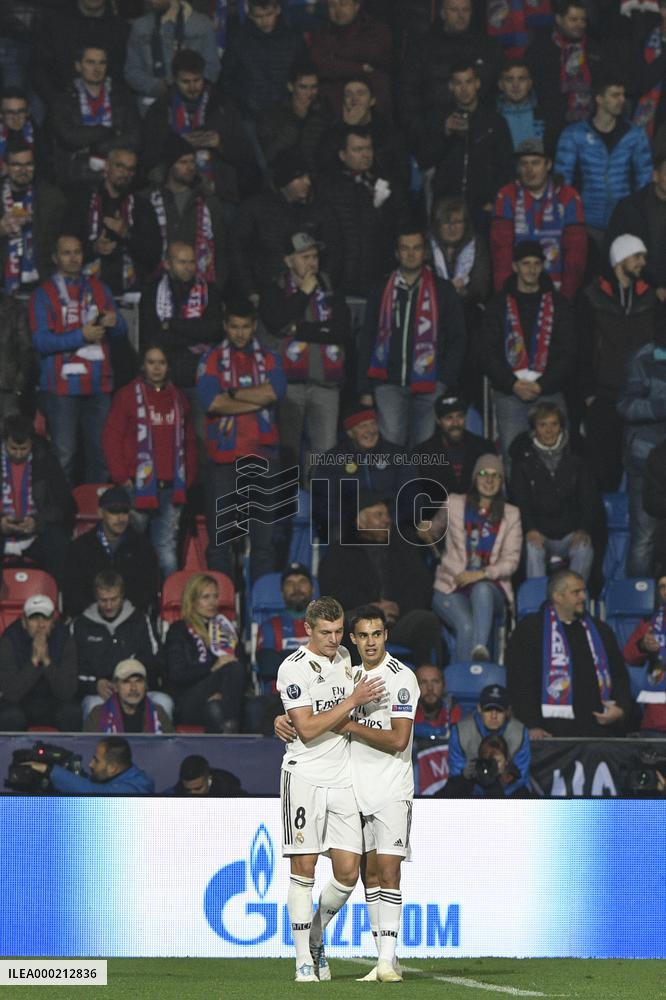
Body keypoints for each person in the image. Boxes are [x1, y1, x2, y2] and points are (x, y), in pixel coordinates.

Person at [275, 595, 384, 982]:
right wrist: (352, 700)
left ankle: (317, 931)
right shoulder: (292, 669)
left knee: (348, 873)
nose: (334, 639)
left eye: (339, 631)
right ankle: (304, 959)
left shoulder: (344, 663)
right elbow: (305, 728)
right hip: (304, 776)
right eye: (326, 633)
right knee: (303, 870)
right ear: (307, 629)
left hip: (343, 778)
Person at [336, 605, 420, 983]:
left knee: (389, 871)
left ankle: (387, 962)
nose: (371, 642)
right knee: (368, 874)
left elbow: (399, 739)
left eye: (377, 634)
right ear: (352, 639)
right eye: (363, 635)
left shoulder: (401, 678)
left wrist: (351, 723)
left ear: (386, 635)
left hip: (390, 788)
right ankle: (385, 960)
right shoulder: (349, 676)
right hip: (355, 788)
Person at [196, 298, 286, 582]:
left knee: (263, 544)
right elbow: (211, 402)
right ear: (225, 326)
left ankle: (258, 618)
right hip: (223, 459)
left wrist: (231, 394)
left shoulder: (270, 357)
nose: (239, 333)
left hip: (263, 457)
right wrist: (255, 398)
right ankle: (223, 613)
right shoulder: (211, 359)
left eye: (245, 327)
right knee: (220, 543)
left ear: (254, 326)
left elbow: (276, 393)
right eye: (234, 326)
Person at [28, 233, 128, 485]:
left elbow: (121, 332)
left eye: (77, 252)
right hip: (61, 387)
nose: (73, 258)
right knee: (64, 456)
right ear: (55, 257)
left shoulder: (98, 288)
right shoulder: (43, 295)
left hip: (98, 384)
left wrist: (115, 323)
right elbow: (40, 341)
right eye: (66, 253)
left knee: (102, 455)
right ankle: (61, 518)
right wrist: (79, 336)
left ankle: (97, 516)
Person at [358, 228, 466, 449]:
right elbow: (367, 337)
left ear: (425, 252)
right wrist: (366, 388)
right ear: (397, 253)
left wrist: (444, 380)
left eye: (416, 248)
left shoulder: (443, 290)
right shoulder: (380, 290)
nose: (410, 254)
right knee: (390, 447)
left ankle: (419, 486)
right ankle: (391, 486)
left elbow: (458, 338)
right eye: (405, 248)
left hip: (430, 384)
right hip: (388, 383)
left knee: (424, 449)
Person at [102, 341, 197, 578]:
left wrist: (187, 481)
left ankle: (168, 609)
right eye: (151, 362)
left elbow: (190, 443)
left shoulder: (179, 399)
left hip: (171, 490)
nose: (156, 368)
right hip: (136, 487)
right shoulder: (126, 396)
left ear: (169, 367)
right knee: (129, 552)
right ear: (143, 365)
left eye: (161, 363)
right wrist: (122, 479)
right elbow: (112, 438)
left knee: (166, 553)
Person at [259, 230, 351, 472]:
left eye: (314, 257)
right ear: (288, 260)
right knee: (287, 454)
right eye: (304, 257)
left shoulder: (330, 287)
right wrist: (303, 294)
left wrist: (298, 329)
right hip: (289, 386)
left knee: (325, 456)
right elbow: (277, 322)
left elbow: (340, 330)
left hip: (326, 385)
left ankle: (319, 506)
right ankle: (289, 507)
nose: (312, 262)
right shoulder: (275, 289)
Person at [319, 491, 444, 667]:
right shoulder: (340, 551)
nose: (387, 520)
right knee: (346, 625)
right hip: (358, 620)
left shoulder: (403, 547)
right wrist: (371, 609)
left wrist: (398, 607)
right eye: (379, 515)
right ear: (360, 522)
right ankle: (356, 683)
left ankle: (425, 683)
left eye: (387, 515)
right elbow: (332, 592)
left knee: (426, 620)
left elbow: (422, 586)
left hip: (397, 622)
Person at [480, 240, 574, 467]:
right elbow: (486, 352)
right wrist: (512, 383)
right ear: (514, 267)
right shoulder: (498, 304)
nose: (531, 269)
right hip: (510, 393)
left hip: (549, 390)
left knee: (559, 459)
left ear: (542, 266)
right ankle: (517, 503)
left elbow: (569, 352)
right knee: (514, 459)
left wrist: (543, 384)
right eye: (525, 263)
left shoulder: (560, 304)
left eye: (536, 264)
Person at [506, 568, 631, 737]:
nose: (583, 597)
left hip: (599, 733)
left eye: (583, 591)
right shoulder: (530, 630)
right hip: (550, 736)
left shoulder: (601, 630)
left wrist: (621, 710)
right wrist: (531, 725)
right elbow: (520, 683)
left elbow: (619, 675)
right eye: (576, 592)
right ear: (558, 596)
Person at [421, 453, 522, 662]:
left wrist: (480, 574)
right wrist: (425, 529)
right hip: (450, 585)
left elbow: (511, 561)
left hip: (491, 588)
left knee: (482, 588)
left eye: (496, 476)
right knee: (465, 626)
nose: (489, 480)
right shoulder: (454, 503)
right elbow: (433, 530)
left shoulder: (512, 514)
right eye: (484, 474)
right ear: (475, 478)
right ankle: (460, 686)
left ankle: (479, 649)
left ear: (502, 482)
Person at [579, 233, 656, 492]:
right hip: (604, 396)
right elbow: (582, 348)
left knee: (646, 472)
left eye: (643, 256)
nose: (642, 262)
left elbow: (658, 348)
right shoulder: (591, 298)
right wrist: (588, 393)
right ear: (619, 260)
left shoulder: (651, 299)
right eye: (637, 256)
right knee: (603, 471)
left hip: (641, 398)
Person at [142, 48, 257, 213]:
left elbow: (246, 154)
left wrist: (220, 143)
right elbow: (148, 156)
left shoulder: (222, 106)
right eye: (185, 81)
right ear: (174, 79)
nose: (192, 87)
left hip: (219, 193)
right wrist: (179, 145)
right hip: (172, 193)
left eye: (197, 80)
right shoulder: (160, 109)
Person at [418, 60, 514, 233]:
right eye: (458, 83)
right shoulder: (436, 119)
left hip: (482, 209)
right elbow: (424, 159)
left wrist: (493, 201)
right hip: (446, 209)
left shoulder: (495, 122)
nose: (464, 88)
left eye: (468, 82)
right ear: (450, 86)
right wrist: (445, 132)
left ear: (477, 84)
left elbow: (506, 167)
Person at [509, 400, 601, 581]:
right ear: (534, 429)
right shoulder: (523, 460)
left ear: (561, 427)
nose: (549, 430)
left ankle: (573, 600)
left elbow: (589, 497)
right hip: (539, 531)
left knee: (584, 547)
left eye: (554, 424)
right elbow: (520, 500)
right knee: (532, 548)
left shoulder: (577, 457)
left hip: (571, 531)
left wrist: (583, 528)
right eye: (542, 425)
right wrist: (530, 529)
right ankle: (537, 605)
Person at [554, 75, 652, 243]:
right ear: (599, 98)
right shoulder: (574, 134)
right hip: (585, 222)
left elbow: (645, 180)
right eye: (615, 95)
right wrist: (569, 220)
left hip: (625, 223)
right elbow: (562, 181)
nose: (621, 100)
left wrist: (637, 216)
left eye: (623, 95)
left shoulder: (635, 135)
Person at [317, 127, 410, 298]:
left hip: (379, 280)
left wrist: (380, 208)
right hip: (341, 282)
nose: (366, 155)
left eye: (368, 148)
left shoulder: (386, 185)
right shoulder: (328, 189)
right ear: (343, 155)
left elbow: (399, 228)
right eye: (358, 150)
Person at [491, 138, 587, 301]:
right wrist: (504, 296)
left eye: (535, 163)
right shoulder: (507, 195)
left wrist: (565, 298)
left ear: (548, 165)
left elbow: (576, 254)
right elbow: (501, 252)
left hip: (558, 289)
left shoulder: (568, 196)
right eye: (524, 164)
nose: (529, 170)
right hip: (517, 290)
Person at [63, 146, 161, 297]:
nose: (125, 174)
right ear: (107, 166)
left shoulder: (142, 206)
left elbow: (153, 254)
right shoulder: (83, 201)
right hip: (85, 293)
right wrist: (94, 248)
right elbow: (64, 246)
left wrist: (126, 234)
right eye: (119, 166)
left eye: (130, 169)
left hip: (129, 294)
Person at [399, 0, 503, 144]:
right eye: (454, 10)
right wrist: (425, 129)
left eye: (465, 10)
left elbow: (496, 91)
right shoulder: (422, 48)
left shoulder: (488, 47)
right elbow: (407, 93)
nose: (461, 15)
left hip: (480, 134)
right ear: (443, 13)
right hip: (435, 134)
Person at [71, 569, 166, 719]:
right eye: (103, 600)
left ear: (122, 596)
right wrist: (95, 684)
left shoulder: (140, 620)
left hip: (138, 690)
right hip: (100, 694)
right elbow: (72, 670)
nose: (109, 606)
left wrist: (130, 680)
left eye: (114, 599)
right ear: (96, 598)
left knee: (163, 702)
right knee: (92, 706)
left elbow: (156, 659)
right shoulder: (80, 625)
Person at [309, 402, 408, 542]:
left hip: (391, 521)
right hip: (350, 524)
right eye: (363, 426)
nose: (370, 430)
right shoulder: (332, 459)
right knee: (338, 533)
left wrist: (387, 519)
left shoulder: (397, 454)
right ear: (350, 433)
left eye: (373, 424)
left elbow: (410, 494)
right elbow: (323, 503)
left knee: (408, 532)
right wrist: (356, 521)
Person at [164, 572, 246, 733]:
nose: (212, 602)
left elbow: (243, 667)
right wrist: (212, 667)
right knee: (232, 667)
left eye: (215, 596)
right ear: (192, 600)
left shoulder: (226, 629)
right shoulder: (178, 630)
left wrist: (221, 693)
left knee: (215, 709)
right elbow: (177, 674)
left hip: (223, 698)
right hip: (188, 698)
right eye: (205, 597)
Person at [50, 45, 141, 187]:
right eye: (90, 62)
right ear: (78, 66)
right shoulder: (64, 98)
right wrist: (109, 131)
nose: (97, 68)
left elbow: (134, 137)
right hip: (75, 174)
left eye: (101, 63)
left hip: (116, 174)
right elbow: (69, 136)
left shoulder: (122, 97)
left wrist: (97, 146)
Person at [63, 486, 159, 617]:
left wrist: (124, 612)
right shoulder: (80, 547)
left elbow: (149, 589)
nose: (120, 518)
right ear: (100, 513)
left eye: (124, 512)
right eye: (114, 512)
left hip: (131, 620)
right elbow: (72, 590)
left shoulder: (143, 547)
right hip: (89, 619)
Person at [0, 414, 72, 586]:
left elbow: (66, 506)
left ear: (32, 443)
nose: (18, 454)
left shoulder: (46, 461)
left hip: (36, 532)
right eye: (13, 449)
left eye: (23, 449)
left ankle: (59, 602)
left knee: (59, 541)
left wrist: (37, 522)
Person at [617, 325, 666, 577]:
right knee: (644, 539)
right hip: (646, 461)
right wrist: (662, 407)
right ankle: (639, 609)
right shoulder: (644, 359)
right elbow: (625, 406)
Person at [147, 133, 226, 287]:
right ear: (169, 165)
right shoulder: (150, 200)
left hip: (201, 286)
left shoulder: (208, 201)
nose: (190, 167)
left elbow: (221, 249)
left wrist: (218, 286)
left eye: (192, 162)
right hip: (157, 286)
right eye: (183, 162)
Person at [0, 594, 80, 732]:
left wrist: (47, 662)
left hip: (54, 701)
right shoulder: (9, 640)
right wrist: (34, 662)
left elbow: (68, 692)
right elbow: (10, 694)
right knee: (9, 717)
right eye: (34, 618)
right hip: (21, 703)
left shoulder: (64, 638)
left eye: (46, 619)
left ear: (53, 621)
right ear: (24, 621)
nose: (41, 625)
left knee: (71, 713)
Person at [124, 0, 220, 115]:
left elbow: (212, 68)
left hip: (194, 110)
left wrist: (185, 87)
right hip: (151, 108)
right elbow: (131, 71)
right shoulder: (141, 27)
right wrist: (157, 86)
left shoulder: (202, 25)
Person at [30, 0, 130, 111]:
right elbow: (39, 69)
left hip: (109, 106)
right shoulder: (54, 25)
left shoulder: (121, 30)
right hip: (60, 103)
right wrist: (58, 102)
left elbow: (124, 75)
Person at [220, 1, 306, 125]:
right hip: (248, 116)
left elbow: (304, 76)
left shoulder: (294, 39)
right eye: (259, 16)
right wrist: (242, 103)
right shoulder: (238, 40)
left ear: (278, 10)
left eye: (268, 14)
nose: (265, 21)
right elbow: (226, 80)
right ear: (249, 15)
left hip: (287, 115)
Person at [525, 0, 604, 128]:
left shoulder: (594, 49)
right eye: (573, 19)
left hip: (589, 124)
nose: (579, 24)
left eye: (583, 20)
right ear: (559, 19)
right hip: (551, 124)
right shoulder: (540, 49)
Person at [0, 142, 66, 296]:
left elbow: (62, 241)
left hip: (41, 287)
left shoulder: (52, 198)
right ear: (6, 166)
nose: (23, 170)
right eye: (17, 165)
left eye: (28, 164)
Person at [309, 0, 392, 120]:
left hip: (372, 112)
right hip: (332, 112)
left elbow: (375, 55)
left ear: (357, 6)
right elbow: (319, 64)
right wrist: (359, 67)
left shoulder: (376, 29)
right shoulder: (322, 31)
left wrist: (335, 58)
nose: (338, 10)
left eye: (343, 4)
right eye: (332, 6)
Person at [445, 683, 531, 796]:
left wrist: (496, 797)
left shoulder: (519, 733)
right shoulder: (461, 731)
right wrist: (469, 775)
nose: (493, 716)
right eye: (488, 709)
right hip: (470, 792)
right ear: (479, 708)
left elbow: (521, 777)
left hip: (507, 793)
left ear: (508, 711)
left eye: (499, 710)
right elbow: (456, 773)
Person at [409, 393, 497, 497]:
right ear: (438, 420)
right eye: (449, 418)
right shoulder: (423, 453)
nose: (455, 423)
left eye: (459, 416)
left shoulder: (485, 448)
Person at [608, 151, 666, 306]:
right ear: (655, 176)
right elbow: (615, 253)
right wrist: (649, 287)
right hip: (637, 293)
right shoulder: (630, 208)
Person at [257, 61, 331, 173]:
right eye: (303, 87)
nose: (310, 93)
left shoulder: (324, 113)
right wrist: (297, 120)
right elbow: (269, 155)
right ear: (290, 87)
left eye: (314, 87)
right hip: (285, 177)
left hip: (317, 176)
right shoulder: (273, 114)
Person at [21, 736, 155, 795]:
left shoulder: (131, 792)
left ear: (113, 768)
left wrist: (48, 770)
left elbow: (92, 792)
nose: (90, 764)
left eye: (96, 761)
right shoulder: (121, 777)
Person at [428, 197, 492, 320]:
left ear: (465, 224)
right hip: (432, 311)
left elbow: (481, 288)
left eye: (457, 222)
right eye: (446, 222)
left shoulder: (477, 244)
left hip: (467, 311)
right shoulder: (427, 245)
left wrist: (465, 293)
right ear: (438, 225)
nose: (452, 228)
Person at [255, 562, 313, 683]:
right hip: (280, 697)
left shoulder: (326, 624)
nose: (296, 588)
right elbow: (268, 666)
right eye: (290, 583)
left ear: (312, 589)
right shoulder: (269, 627)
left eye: (302, 582)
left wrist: (284, 657)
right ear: (282, 592)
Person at [623, 574, 666, 734]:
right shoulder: (650, 623)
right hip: (658, 722)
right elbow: (628, 656)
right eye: (662, 586)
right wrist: (643, 646)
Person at [84, 657, 174, 733]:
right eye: (126, 682)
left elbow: (169, 749)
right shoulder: (98, 715)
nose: (133, 688)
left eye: (138, 681)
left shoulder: (158, 713)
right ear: (115, 687)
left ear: (146, 685)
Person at [496, 59, 550, 151]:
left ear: (529, 83)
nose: (515, 85)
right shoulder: (492, 116)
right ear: (501, 85)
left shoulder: (545, 114)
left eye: (521, 79)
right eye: (509, 80)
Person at [167, 753, 244, 796]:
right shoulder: (176, 794)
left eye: (198, 788)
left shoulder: (232, 795)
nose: (193, 794)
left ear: (209, 780)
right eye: (188, 790)